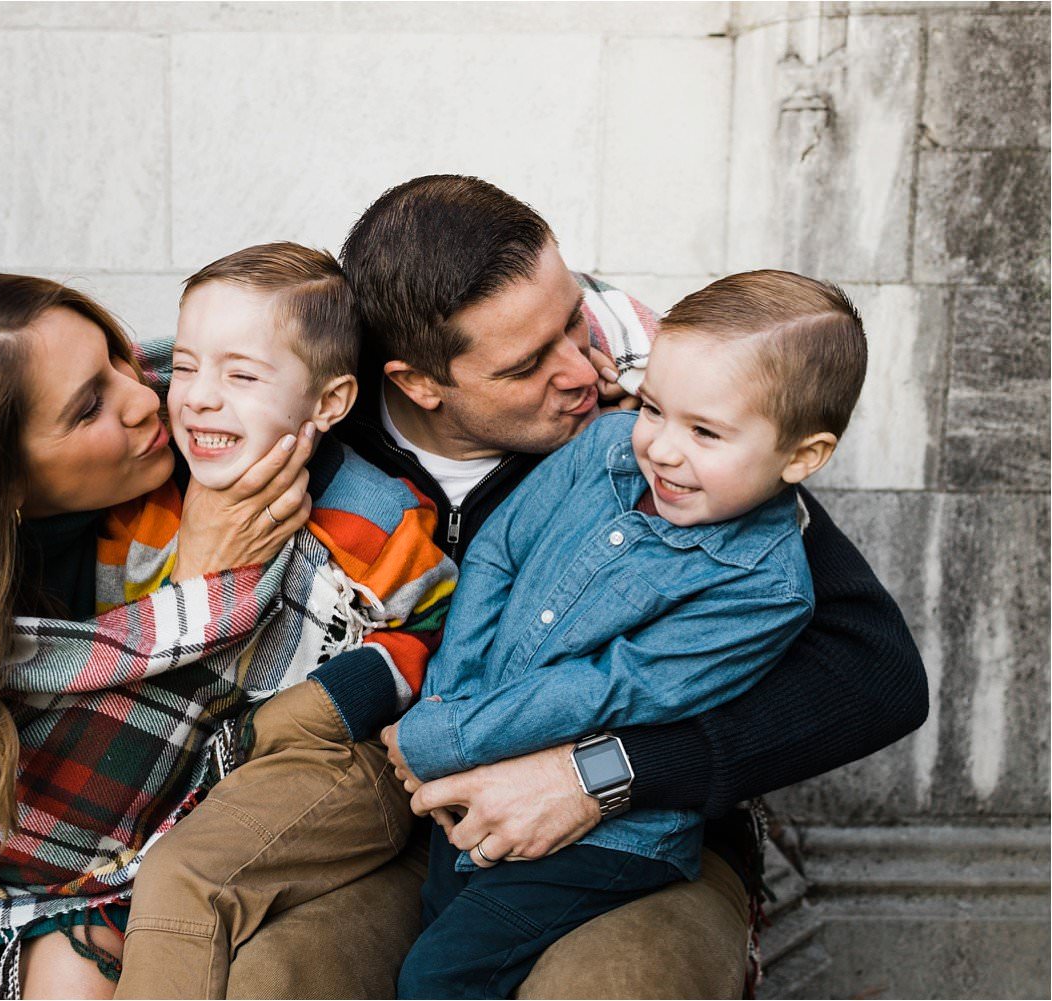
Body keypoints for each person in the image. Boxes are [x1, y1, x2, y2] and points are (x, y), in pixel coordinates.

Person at [212, 175, 927, 998]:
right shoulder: (313, 423)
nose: (585, 369)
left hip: (636, 820)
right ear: (417, 382)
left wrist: (607, 772)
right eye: (528, 363)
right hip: (400, 797)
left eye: (572, 321)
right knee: (280, 976)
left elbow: (877, 675)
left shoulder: (677, 409)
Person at [0, 273, 321, 999]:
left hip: (148, 836)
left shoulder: (218, 422)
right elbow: (1, 821)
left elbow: (121, 811)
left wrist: (201, 596)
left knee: (74, 980)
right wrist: (196, 594)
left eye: (115, 356)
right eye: (89, 408)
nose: (146, 398)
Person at [389, 270, 866, 998]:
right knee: (436, 928)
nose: (664, 449)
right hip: (476, 762)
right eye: (654, 408)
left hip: (612, 838)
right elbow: (498, 554)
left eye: (705, 431)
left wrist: (451, 738)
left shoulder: (766, 588)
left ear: (802, 456)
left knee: (442, 972)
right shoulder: (607, 446)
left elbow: (615, 685)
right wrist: (448, 705)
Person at [88, 242, 457, 998]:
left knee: (185, 878)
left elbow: (440, 635)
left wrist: (345, 695)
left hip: (338, 763)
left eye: (241, 375)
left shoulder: (381, 517)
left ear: (329, 402)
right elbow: (114, 647)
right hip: (191, 762)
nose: (197, 397)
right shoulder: (140, 512)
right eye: (184, 366)